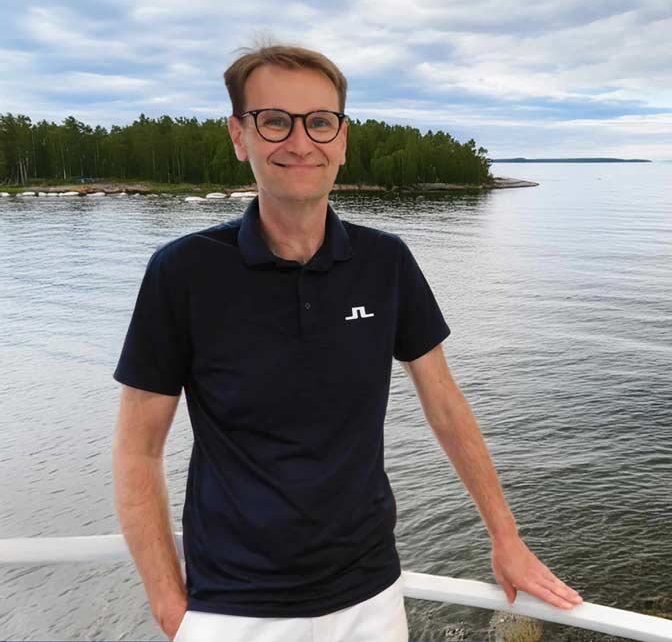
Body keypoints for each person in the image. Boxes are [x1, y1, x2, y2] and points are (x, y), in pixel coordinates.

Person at [111, 43, 582, 642]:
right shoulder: (184, 272)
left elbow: (444, 402)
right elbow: (137, 449)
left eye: (319, 122)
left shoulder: (385, 262)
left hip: (370, 597)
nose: (300, 142)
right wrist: (167, 602)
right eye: (274, 121)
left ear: (341, 139)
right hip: (233, 604)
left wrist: (505, 537)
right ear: (239, 136)